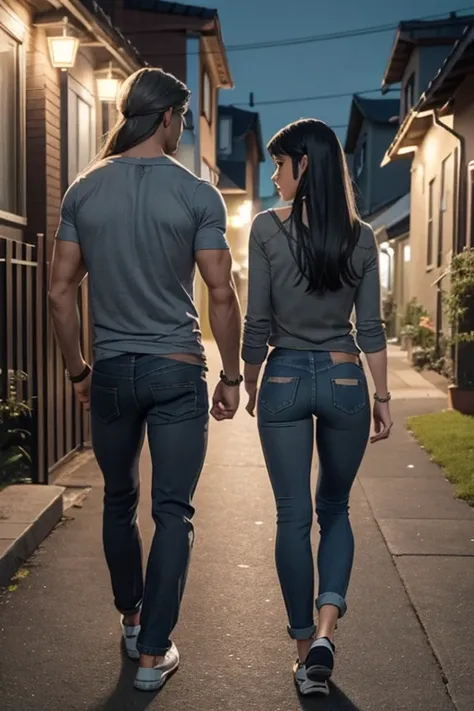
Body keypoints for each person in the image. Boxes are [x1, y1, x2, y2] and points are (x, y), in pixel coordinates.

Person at [49, 67, 242, 692]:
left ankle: (133, 621)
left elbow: (59, 294)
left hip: (110, 373)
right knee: (174, 512)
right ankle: (155, 654)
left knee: (117, 499)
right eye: (183, 118)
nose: (183, 129)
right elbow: (221, 292)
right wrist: (233, 374)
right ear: (165, 118)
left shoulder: (83, 190)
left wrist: (80, 369)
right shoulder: (197, 195)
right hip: (178, 371)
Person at [242, 118, 392, 697]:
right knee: (335, 508)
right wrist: (381, 396)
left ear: (304, 166)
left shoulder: (265, 230)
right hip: (345, 379)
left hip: (283, 376)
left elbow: (258, 321)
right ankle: (328, 630)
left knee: (292, 517)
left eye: (280, 164)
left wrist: (249, 379)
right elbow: (372, 329)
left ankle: (306, 652)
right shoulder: (362, 237)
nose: (274, 174)